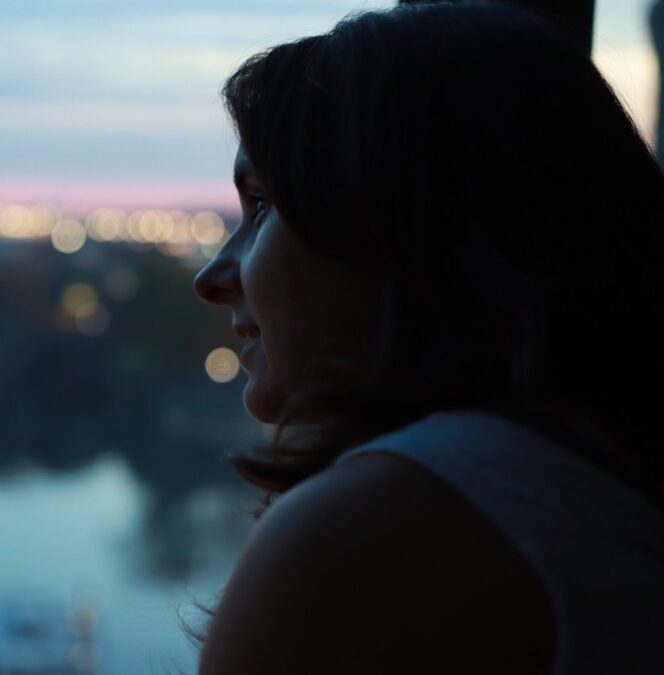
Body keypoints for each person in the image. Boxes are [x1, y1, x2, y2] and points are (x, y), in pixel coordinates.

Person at [191, 2, 664, 673]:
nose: (211, 278)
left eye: (263, 204)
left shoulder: (373, 533)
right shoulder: (592, 490)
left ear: (400, 225)